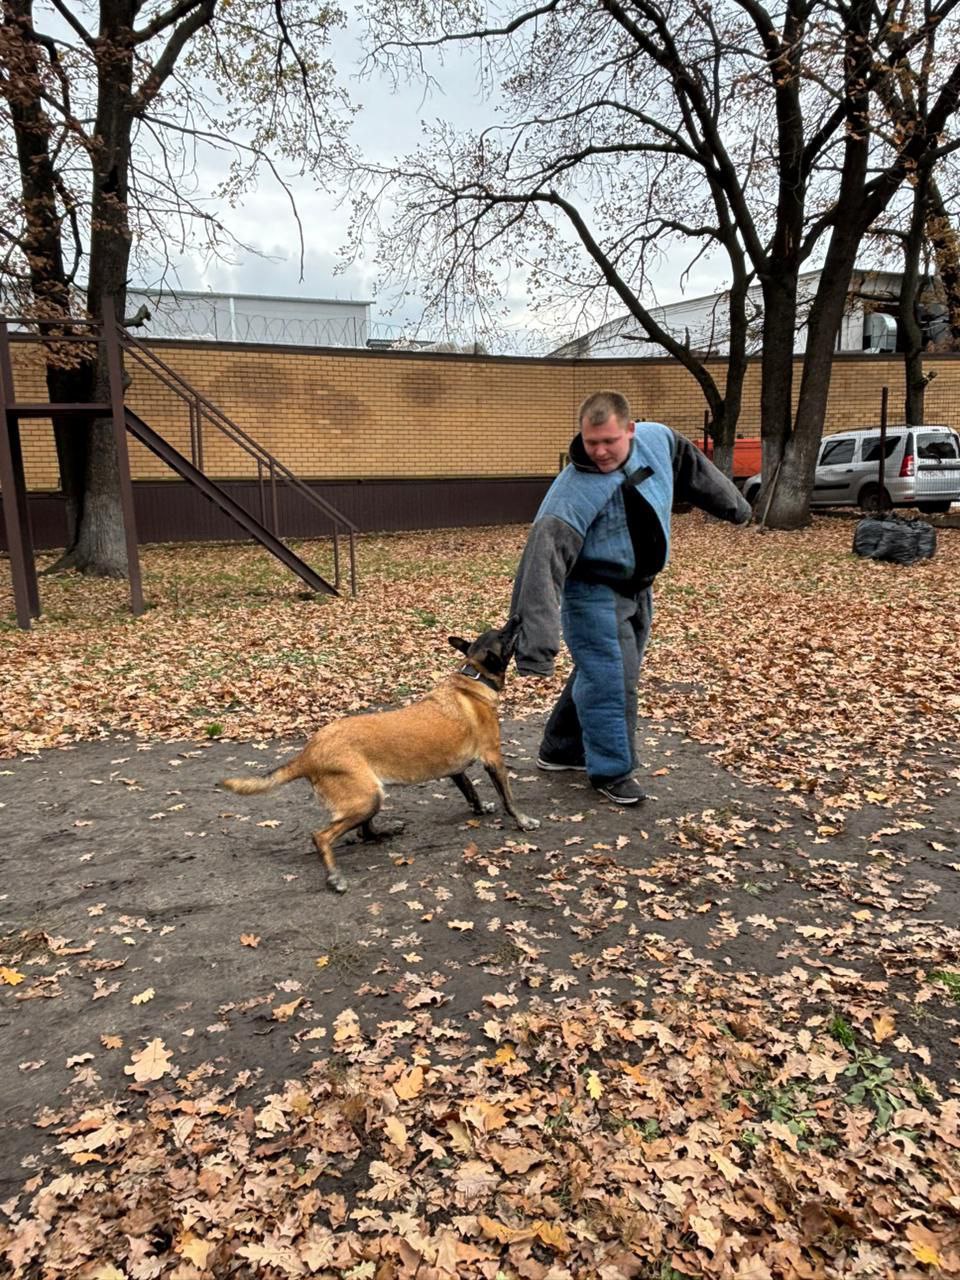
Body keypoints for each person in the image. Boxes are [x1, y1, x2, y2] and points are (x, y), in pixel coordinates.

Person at [510, 391, 751, 805]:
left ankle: (561, 749)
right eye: (591, 442)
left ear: (631, 431)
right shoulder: (573, 492)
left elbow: (689, 461)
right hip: (592, 593)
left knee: (608, 670)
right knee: (612, 681)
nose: (600, 451)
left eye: (609, 441)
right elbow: (539, 568)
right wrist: (536, 649)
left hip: (638, 587)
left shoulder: (657, 440)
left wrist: (734, 506)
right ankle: (611, 771)